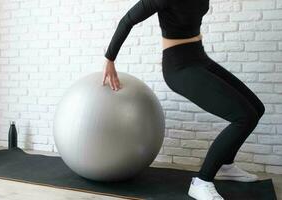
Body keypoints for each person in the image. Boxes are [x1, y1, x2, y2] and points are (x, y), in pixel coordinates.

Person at [102, 0, 265, 199]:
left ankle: (226, 165)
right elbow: (127, 20)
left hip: (200, 58)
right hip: (179, 68)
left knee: (257, 109)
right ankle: (201, 182)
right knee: (244, 117)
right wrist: (110, 59)